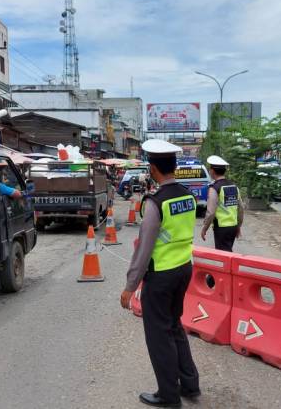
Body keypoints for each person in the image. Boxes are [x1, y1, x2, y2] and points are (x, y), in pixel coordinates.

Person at [120, 139, 199, 408]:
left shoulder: (155, 203)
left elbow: (144, 249)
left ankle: (168, 395)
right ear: (174, 166)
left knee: (158, 336)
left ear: (153, 169)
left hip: (161, 276)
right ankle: (189, 384)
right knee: (174, 325)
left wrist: (130, 286)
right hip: (184, 269)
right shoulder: (187, 196)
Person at [200, 155, 243, 252]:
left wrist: (204, 228)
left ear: (212, 171)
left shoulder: (214, 188)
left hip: (221, 228)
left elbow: (211, 212)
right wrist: (238, 226)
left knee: (224, 255)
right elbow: (240, 208)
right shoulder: (234, 186)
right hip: (233, 226)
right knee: (228, 252)